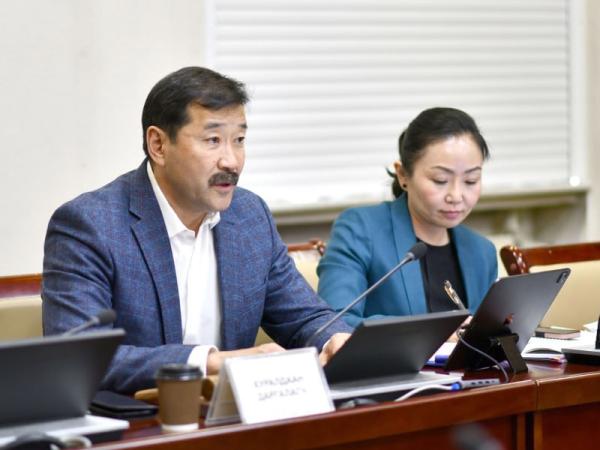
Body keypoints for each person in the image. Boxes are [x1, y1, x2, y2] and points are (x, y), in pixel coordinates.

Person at [42, 67, 351, 394]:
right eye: (213, 140)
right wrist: (213, 362)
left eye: (239, 140)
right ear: (158, 145)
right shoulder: (90, 225)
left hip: (232, 416)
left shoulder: (249, 216)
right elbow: (79, 358)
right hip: (135, 417)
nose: (231, 161)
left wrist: (334, 339)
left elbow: (302, 316)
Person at [317, 107, 497, 328]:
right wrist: (435, 331)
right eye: (440, 180)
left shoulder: (482, 251)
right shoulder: (360, 229)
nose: (456, 196)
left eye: (471, 180)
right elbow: (334, 321)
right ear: (403, 175)